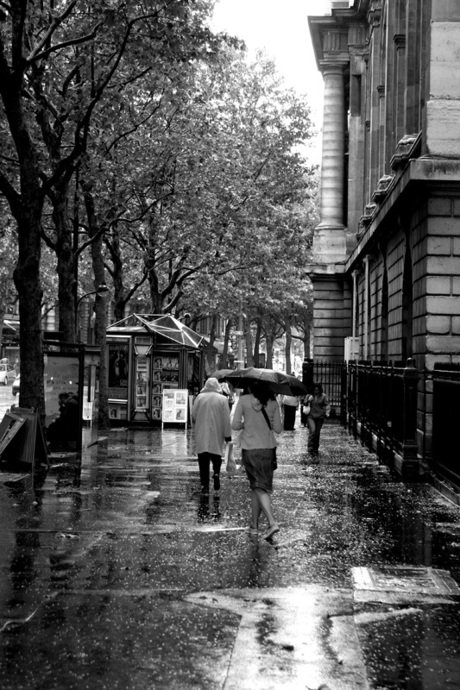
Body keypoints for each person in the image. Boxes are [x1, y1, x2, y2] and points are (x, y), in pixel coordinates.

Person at [231, 381, 282, 540]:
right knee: (257, 487)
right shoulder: (273, 402)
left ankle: (272, 523)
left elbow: (235, 425)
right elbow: (278, 429)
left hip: (251, 449)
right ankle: (254, 525)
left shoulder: (244, 400)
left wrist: (248, 422)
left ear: (251, 386)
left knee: (259, 488)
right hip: (268, 449)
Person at [192, 377, 232, 494]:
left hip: (202, 431)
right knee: (216, 455)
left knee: (203, 458)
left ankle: (204, 484)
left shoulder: (200, 397)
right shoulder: (223, 399)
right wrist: (227, 436)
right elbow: (226, 419)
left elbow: (194, 415)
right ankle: (216, 473)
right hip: (217, 431)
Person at [304, 383, 330, 455]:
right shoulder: (309, 395)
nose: (316, 391)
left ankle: (315, 448)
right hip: (311, 416)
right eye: (315, 390)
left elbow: (327, 404)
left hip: (319, 416)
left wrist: (327, 412)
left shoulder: (323, 396)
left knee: (317, 433)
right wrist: (308, 400)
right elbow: (304, 404)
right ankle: (310, 447)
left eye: (317, 390)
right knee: (313, 431)